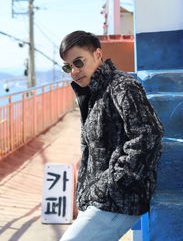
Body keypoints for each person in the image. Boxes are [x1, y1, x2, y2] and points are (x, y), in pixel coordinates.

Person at [59, 30, 164, 241]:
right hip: (100, 199)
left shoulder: (122, 86)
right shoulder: (94, 93)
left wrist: (111, 184)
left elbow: (148, 136)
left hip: (118, 199)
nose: (74, 71)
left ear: (98, 54)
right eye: (68, 67)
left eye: (78, 62)